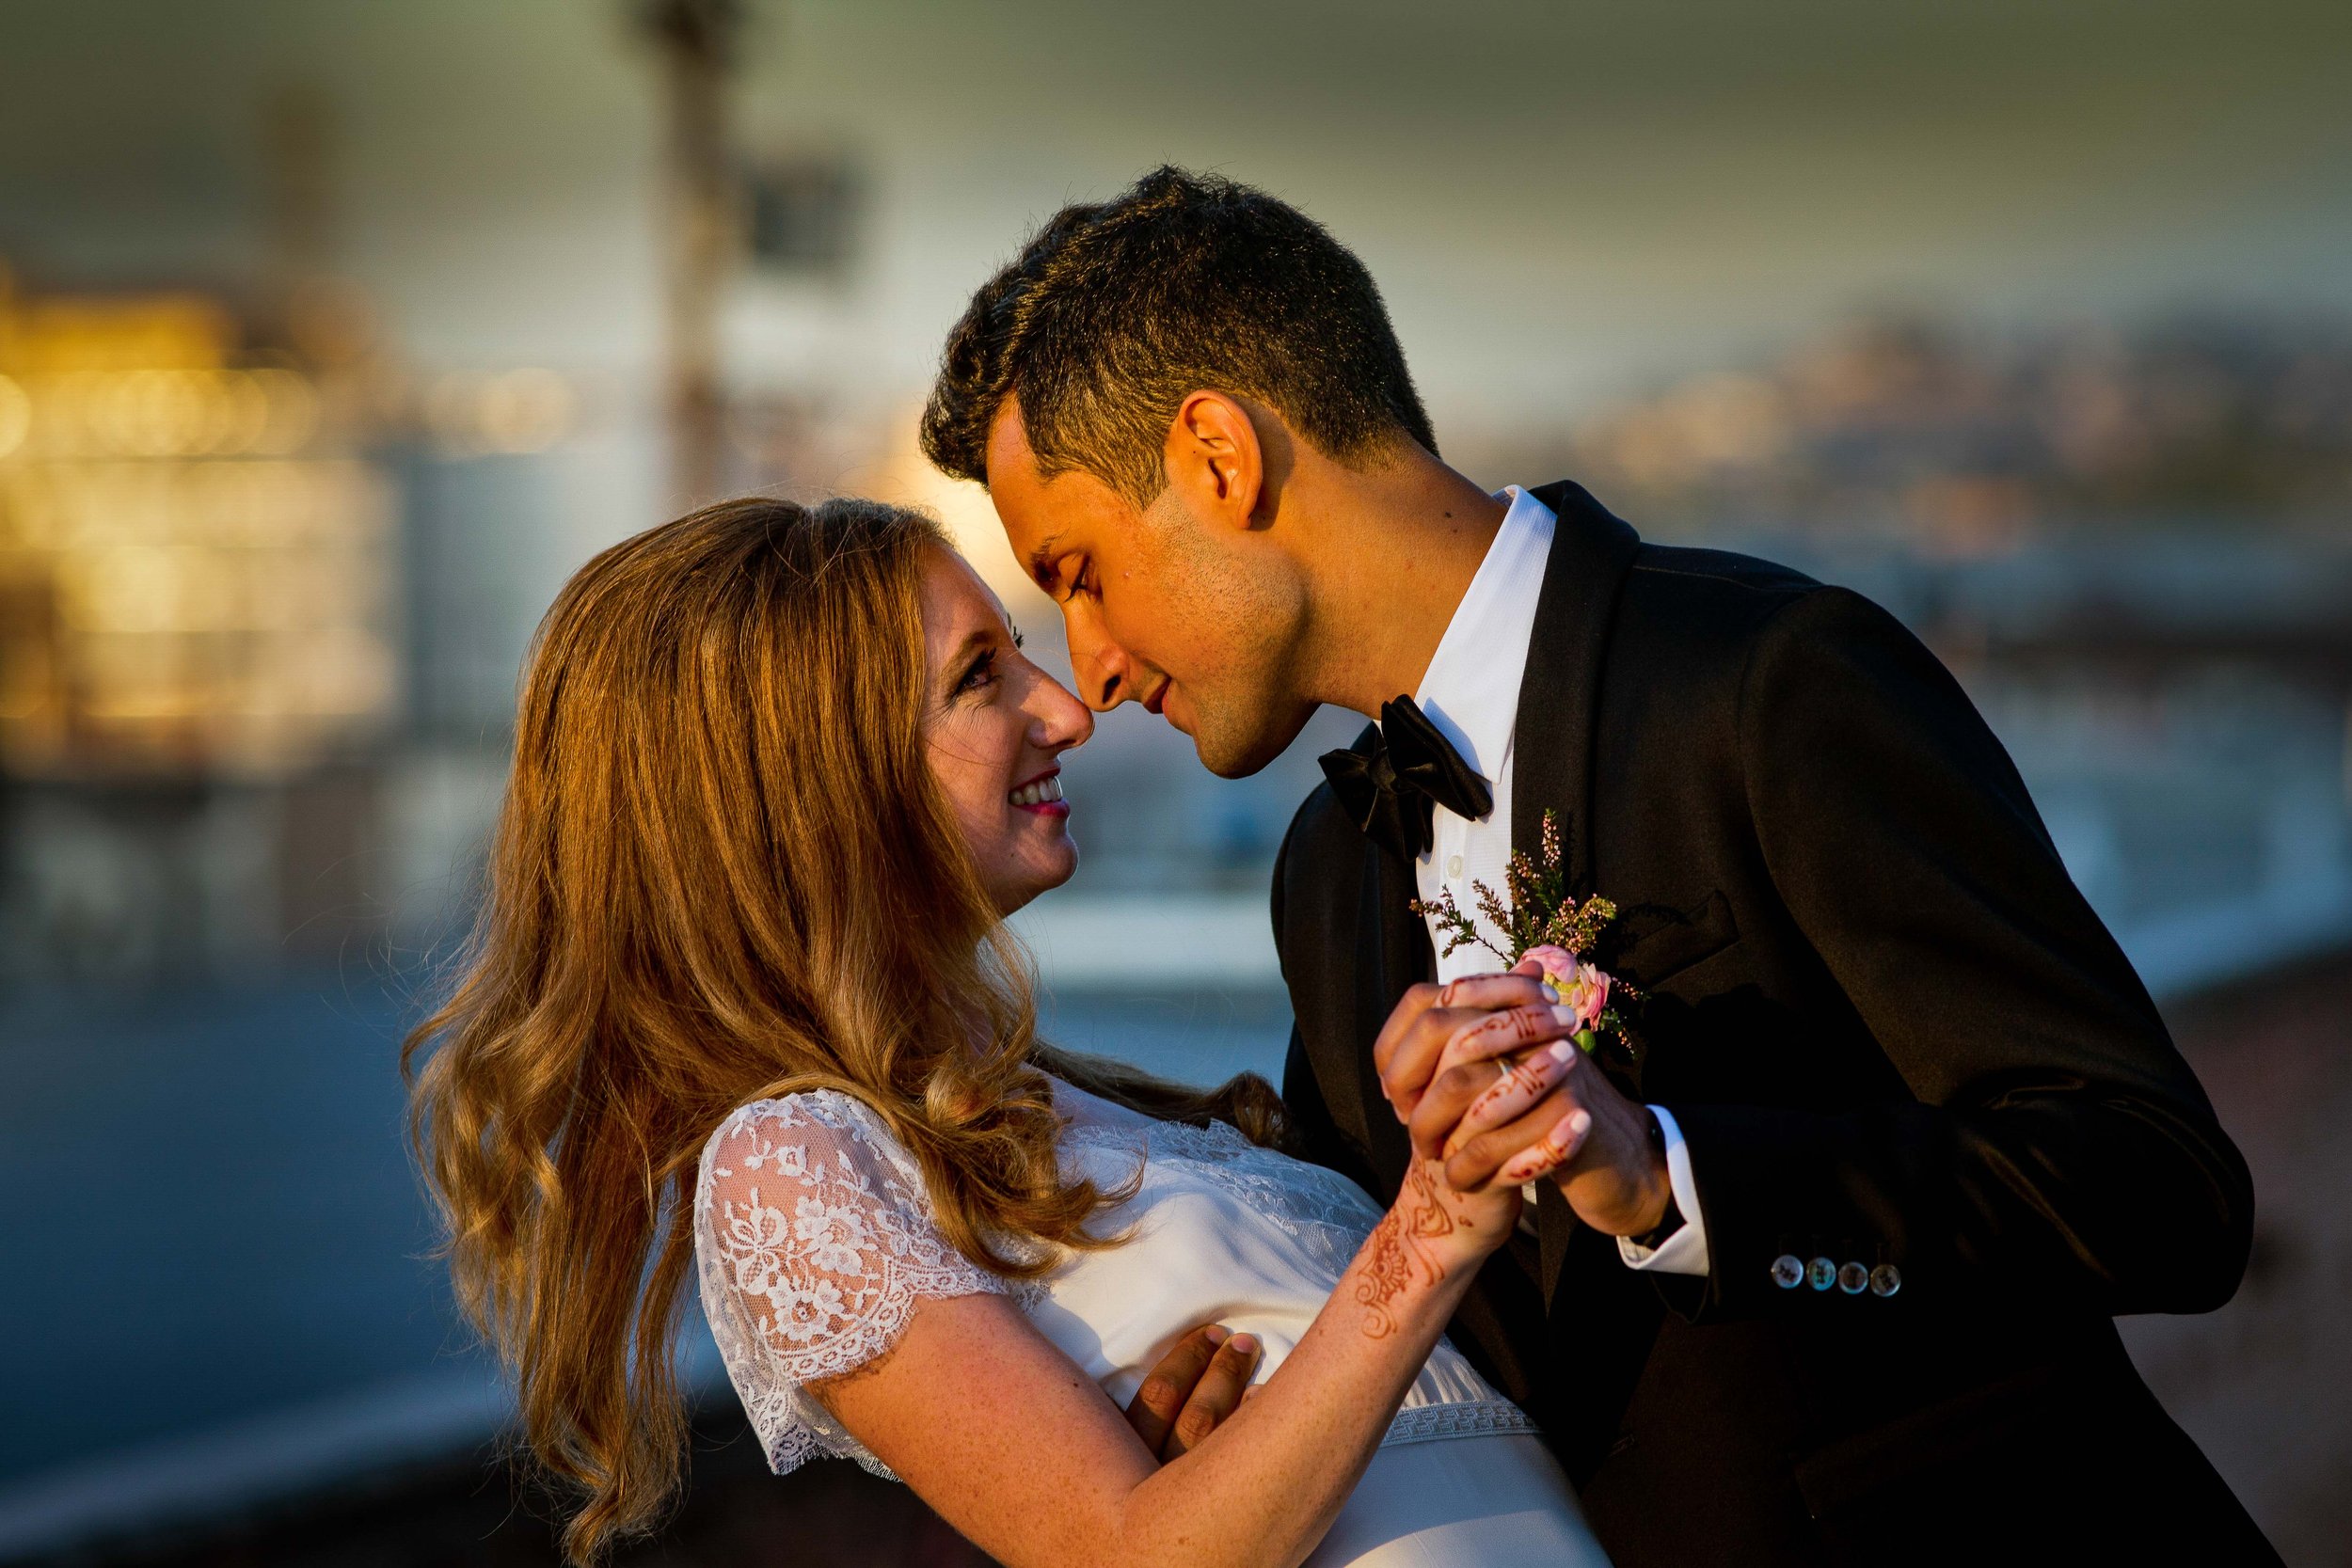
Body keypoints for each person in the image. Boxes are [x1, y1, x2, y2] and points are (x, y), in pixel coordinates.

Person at [918, 166, 2282, 1565]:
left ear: (1220, 454)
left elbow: (2163, 1193)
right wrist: (1238, 1411)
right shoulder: (1325, 876)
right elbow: (1416, 1309)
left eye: (1079, 570)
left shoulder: (1767, 682)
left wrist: (1674, 1177)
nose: (1091, 669)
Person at [405, 496, 1611, 1568]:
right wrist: (1431, 1230)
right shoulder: (784, 1164)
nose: (1068, 711)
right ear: (821, 778)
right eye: (982, 675)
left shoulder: (1047, 1100)